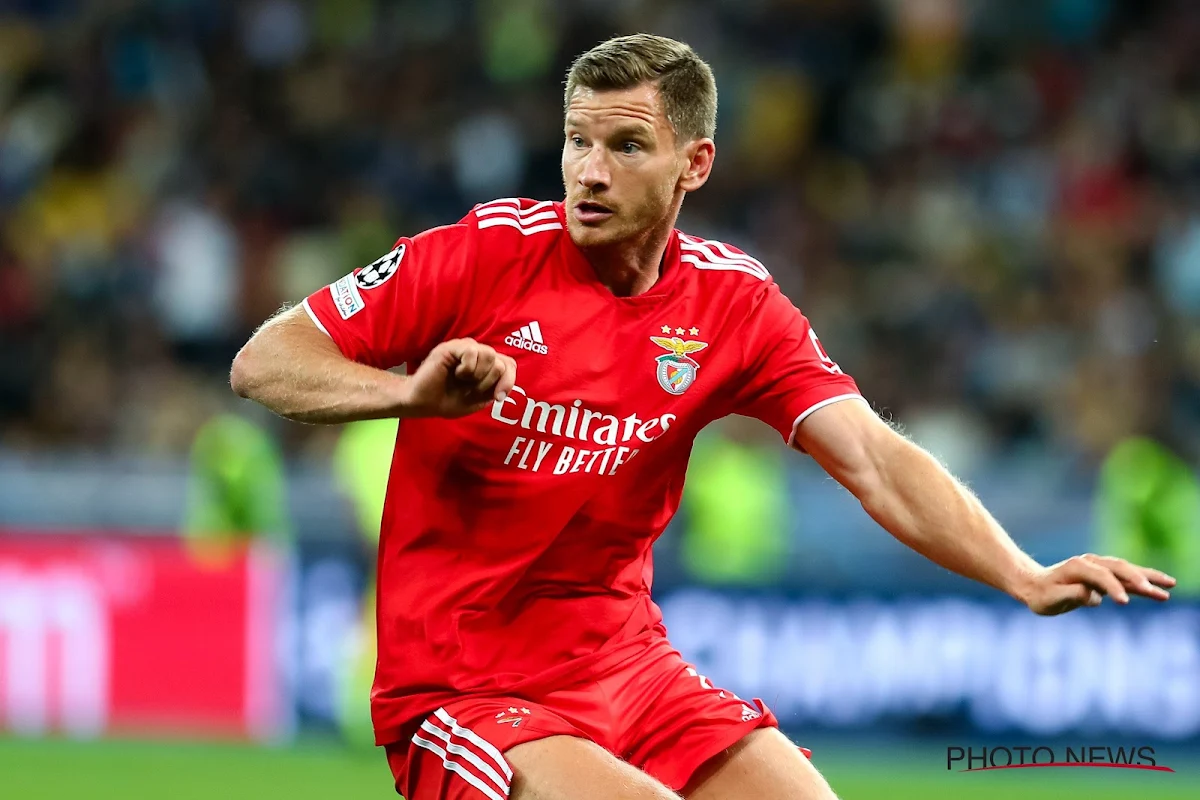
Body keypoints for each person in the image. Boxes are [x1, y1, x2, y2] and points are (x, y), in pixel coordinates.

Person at [230, 33, 1175, 800]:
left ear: (696, 163)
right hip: (464, 688)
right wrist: (405, 396)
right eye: (577, 141)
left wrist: (1021, 573)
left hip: (627, 669)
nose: (588, 172)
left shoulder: (731, 305)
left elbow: (873, 459)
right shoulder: (480, 256)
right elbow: (263, 363)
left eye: (626, 145)